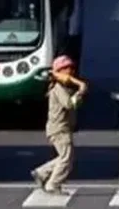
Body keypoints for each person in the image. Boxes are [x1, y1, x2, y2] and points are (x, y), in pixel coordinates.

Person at [31, 56, 87, 194]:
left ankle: (42, 173)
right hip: (60, 129)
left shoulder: (63, 87)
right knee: (66, 158)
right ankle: (53, 184)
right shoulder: (58, 88)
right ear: (59, 71)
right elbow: (68, 104)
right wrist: (80, 92)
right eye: (67, 68)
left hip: (61, 128)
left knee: (65, 157)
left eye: (72, 68)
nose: (71, 71)